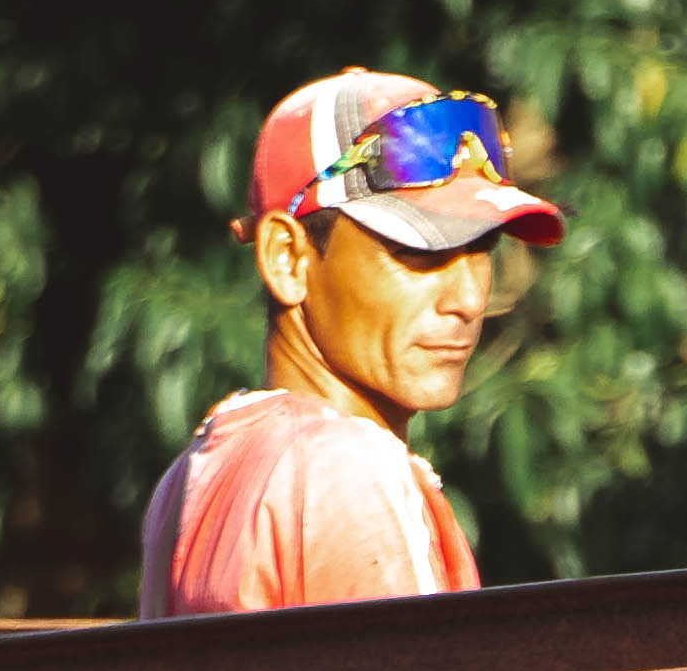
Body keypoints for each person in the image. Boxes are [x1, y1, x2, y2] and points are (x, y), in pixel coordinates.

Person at [140, 70, 561, 618]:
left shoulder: (191, 474)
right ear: (287, 259)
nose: (467, 299)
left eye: (481, 248)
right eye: (419, 252)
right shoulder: (351, 471)